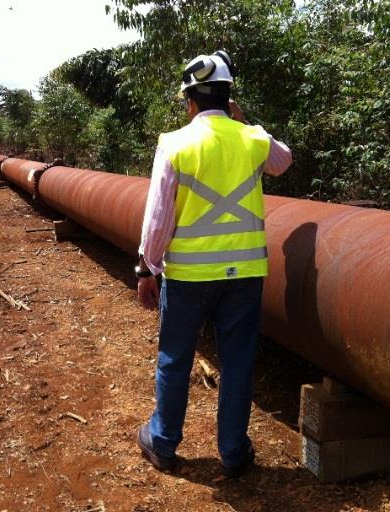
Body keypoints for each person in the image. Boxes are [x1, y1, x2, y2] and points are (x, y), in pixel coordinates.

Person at [135, 50, 293, 478]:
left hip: (188, 276)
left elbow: (158, 217)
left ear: (189, 100)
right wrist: (244, 122)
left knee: (175, 356)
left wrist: (148, 267)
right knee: (238, 362)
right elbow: (284, 161)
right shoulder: (252, 139)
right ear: (228, 98)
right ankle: (234, 452)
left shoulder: (175, 143)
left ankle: (164, 443)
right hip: (244, 275)